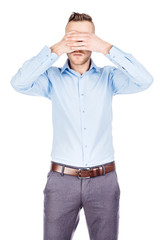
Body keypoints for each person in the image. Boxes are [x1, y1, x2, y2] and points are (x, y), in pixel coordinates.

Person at [10, 12, 153, 240]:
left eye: (85, 38)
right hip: (61, 182)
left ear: (94, 41)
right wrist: (55, 49)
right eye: (72, 38)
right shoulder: (51, 79)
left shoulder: (109, 78)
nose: (78, 44)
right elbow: (18, 83)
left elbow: (144, 80)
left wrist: (106, 47)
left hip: (104, 181)